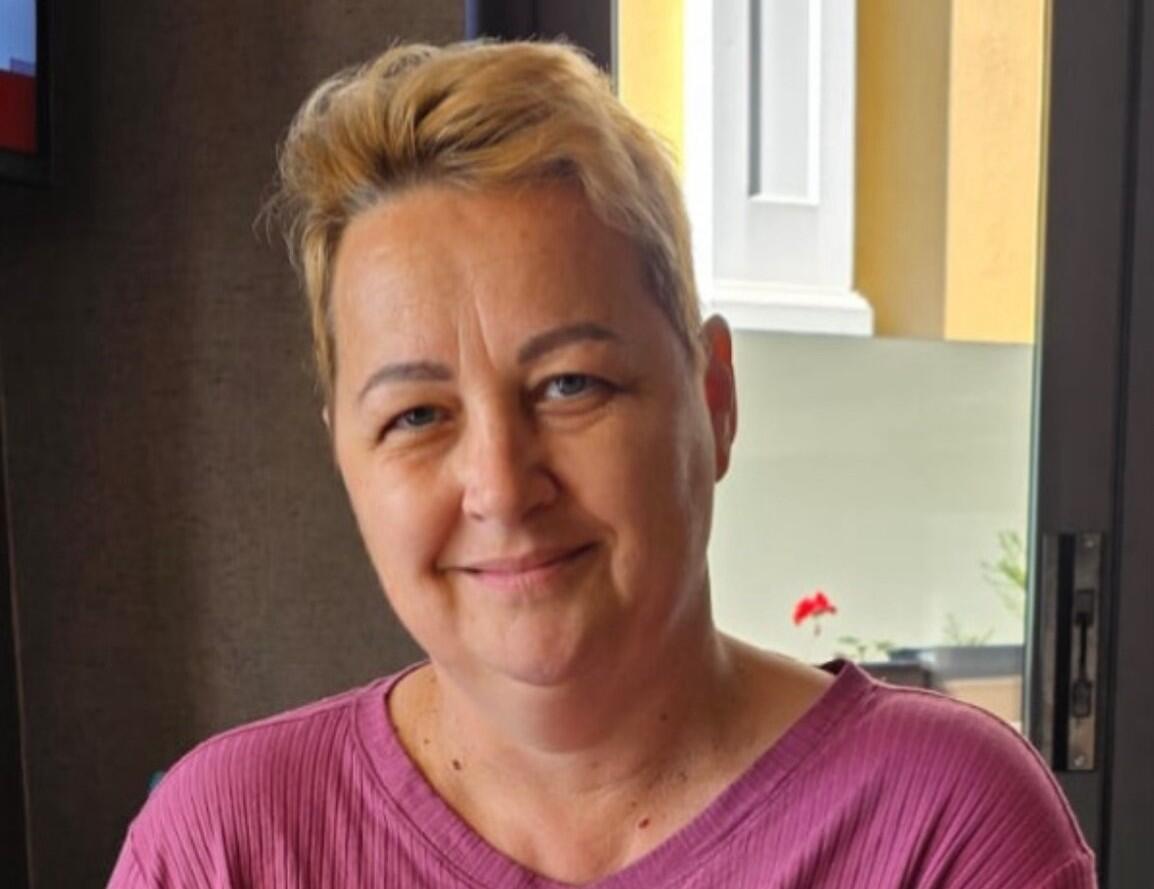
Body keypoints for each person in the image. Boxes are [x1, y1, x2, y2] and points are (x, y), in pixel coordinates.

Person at [108, 40, 1096, 888]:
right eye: (417, 416)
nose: (501, 487)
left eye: (570, 385)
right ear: (346, 459)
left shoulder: (943, 828)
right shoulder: (224, 846)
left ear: (713, 398)